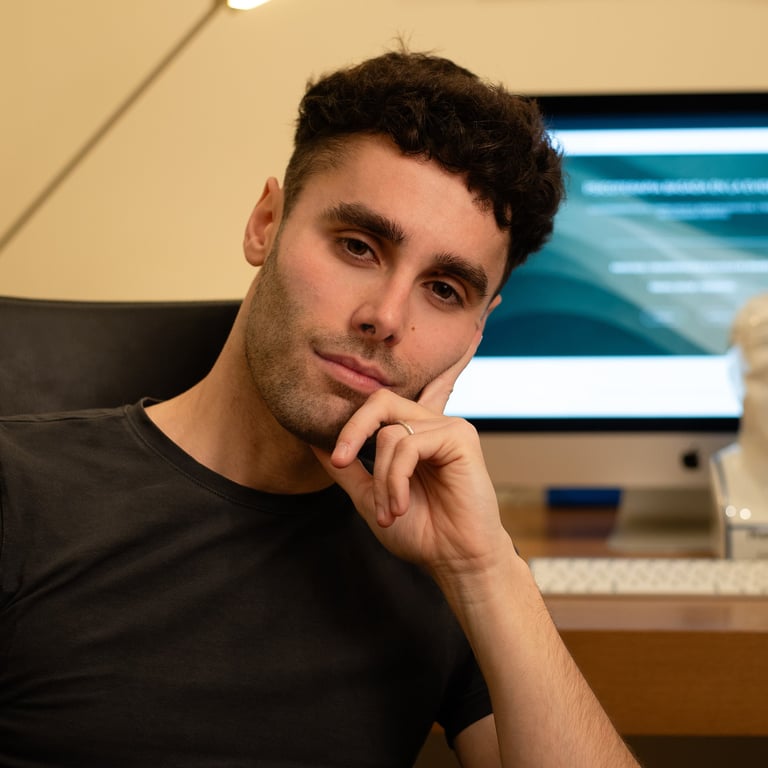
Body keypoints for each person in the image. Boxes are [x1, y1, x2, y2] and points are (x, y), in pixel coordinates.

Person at [0, 49, 640, 767]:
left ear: (477, 333)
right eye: (358, 247)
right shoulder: (19, 492)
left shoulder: (446, 550)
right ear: (265, 223)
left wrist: (484, 572)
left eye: (444, 290)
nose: (385, 317)